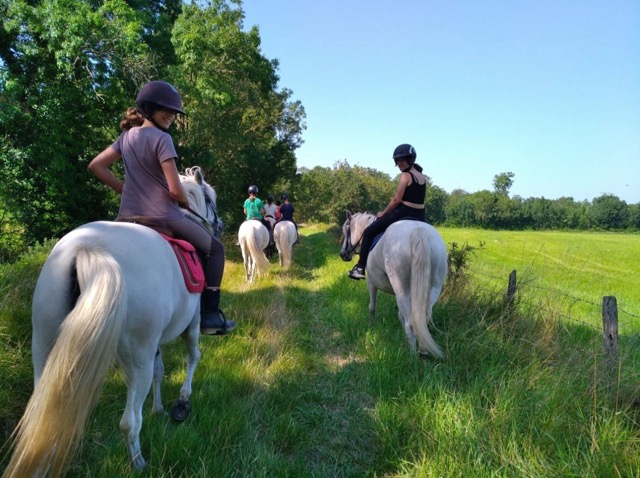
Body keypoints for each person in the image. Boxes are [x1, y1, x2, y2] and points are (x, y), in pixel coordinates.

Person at [88, 80, 235, 335]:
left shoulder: (126, 137)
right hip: (163, 217)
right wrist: (184, 201)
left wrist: (126, 190)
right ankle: (210, 316)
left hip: (125, 219)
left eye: (174, 112)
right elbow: (176, 190)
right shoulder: (162, 139)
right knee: (216, 249)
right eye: (165, 109)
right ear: (148, 109)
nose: (172, 115)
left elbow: (96, 166)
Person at [348, 143, 426, 280]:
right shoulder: (422, 177)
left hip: (404, 212)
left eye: (403, 160)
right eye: (398, 161)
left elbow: (396, 200)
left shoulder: (406, 176)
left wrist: (383, 213)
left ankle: (360, 268)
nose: (400, 163)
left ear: (411, 159)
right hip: (420, 216)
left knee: (368, 232)